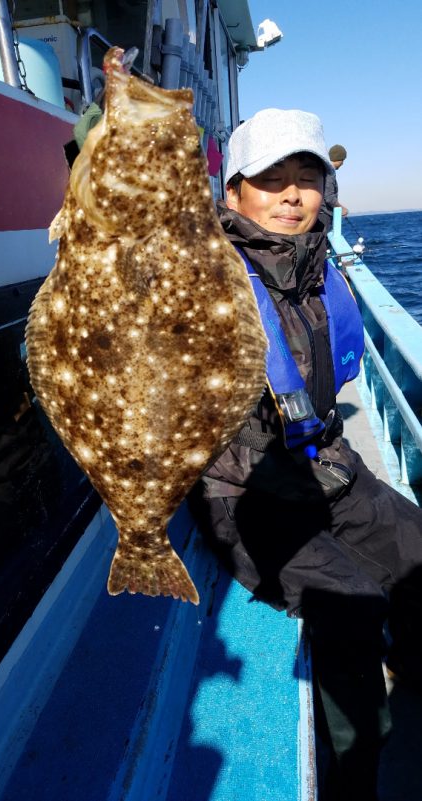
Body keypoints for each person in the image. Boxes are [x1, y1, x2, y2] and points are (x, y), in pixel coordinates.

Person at [188, 108, 422, 801]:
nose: (292, 195)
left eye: (306, 178)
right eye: (270, 180)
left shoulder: (322, 266)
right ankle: (356, 786)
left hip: (327, 467)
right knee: (349, 607)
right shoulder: (202, 279)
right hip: (247, 492)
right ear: (232, 193)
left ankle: (410, 666)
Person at [319, 143, 349, 229]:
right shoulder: (329, 172)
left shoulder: (323, 169)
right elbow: (329, 197)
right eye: (343, 160)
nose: (342, 164)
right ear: (339, 159)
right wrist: (342, 209)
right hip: (324, 216)